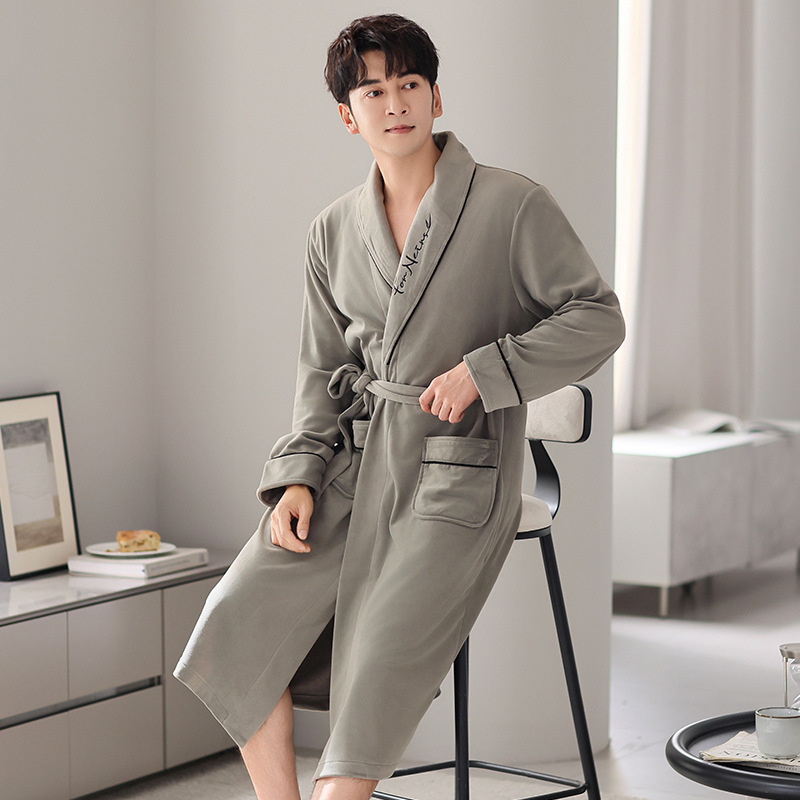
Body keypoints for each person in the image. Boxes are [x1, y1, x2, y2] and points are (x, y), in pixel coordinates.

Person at [174, 13, 625, 800]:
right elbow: (323, 370)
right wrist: (298, 478)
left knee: (378, 664)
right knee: (235, 623)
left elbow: (598, 318)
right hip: (352, 471)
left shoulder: (510, 204)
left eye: (410, 83)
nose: (396, 103)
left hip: (457, 476)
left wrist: (486, 372)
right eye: (374, 91)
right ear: (349, 116)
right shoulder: (331, 232)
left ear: (436, 96)